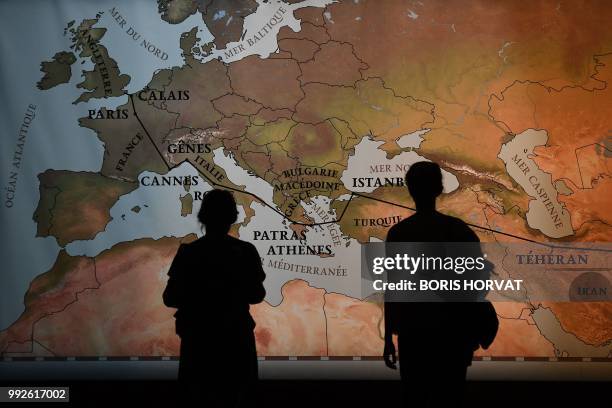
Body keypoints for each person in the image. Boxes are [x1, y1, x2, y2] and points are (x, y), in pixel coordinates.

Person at [383, 161, 495, 408]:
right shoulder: (459, 231)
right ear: (439, 188)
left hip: (415, 338)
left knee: (415, 400)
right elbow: (478, 284)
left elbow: (393, 290)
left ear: (410, 189)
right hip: (453, 338)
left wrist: (388, 340)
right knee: (450, 401)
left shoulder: (399, 234)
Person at [163, 189, 266, 406]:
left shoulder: (189, 253)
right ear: (233, 218)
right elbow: (257, 295)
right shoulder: (245, 252)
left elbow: (170, 298)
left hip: (198, 345)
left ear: (203, 217)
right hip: (236, 343)